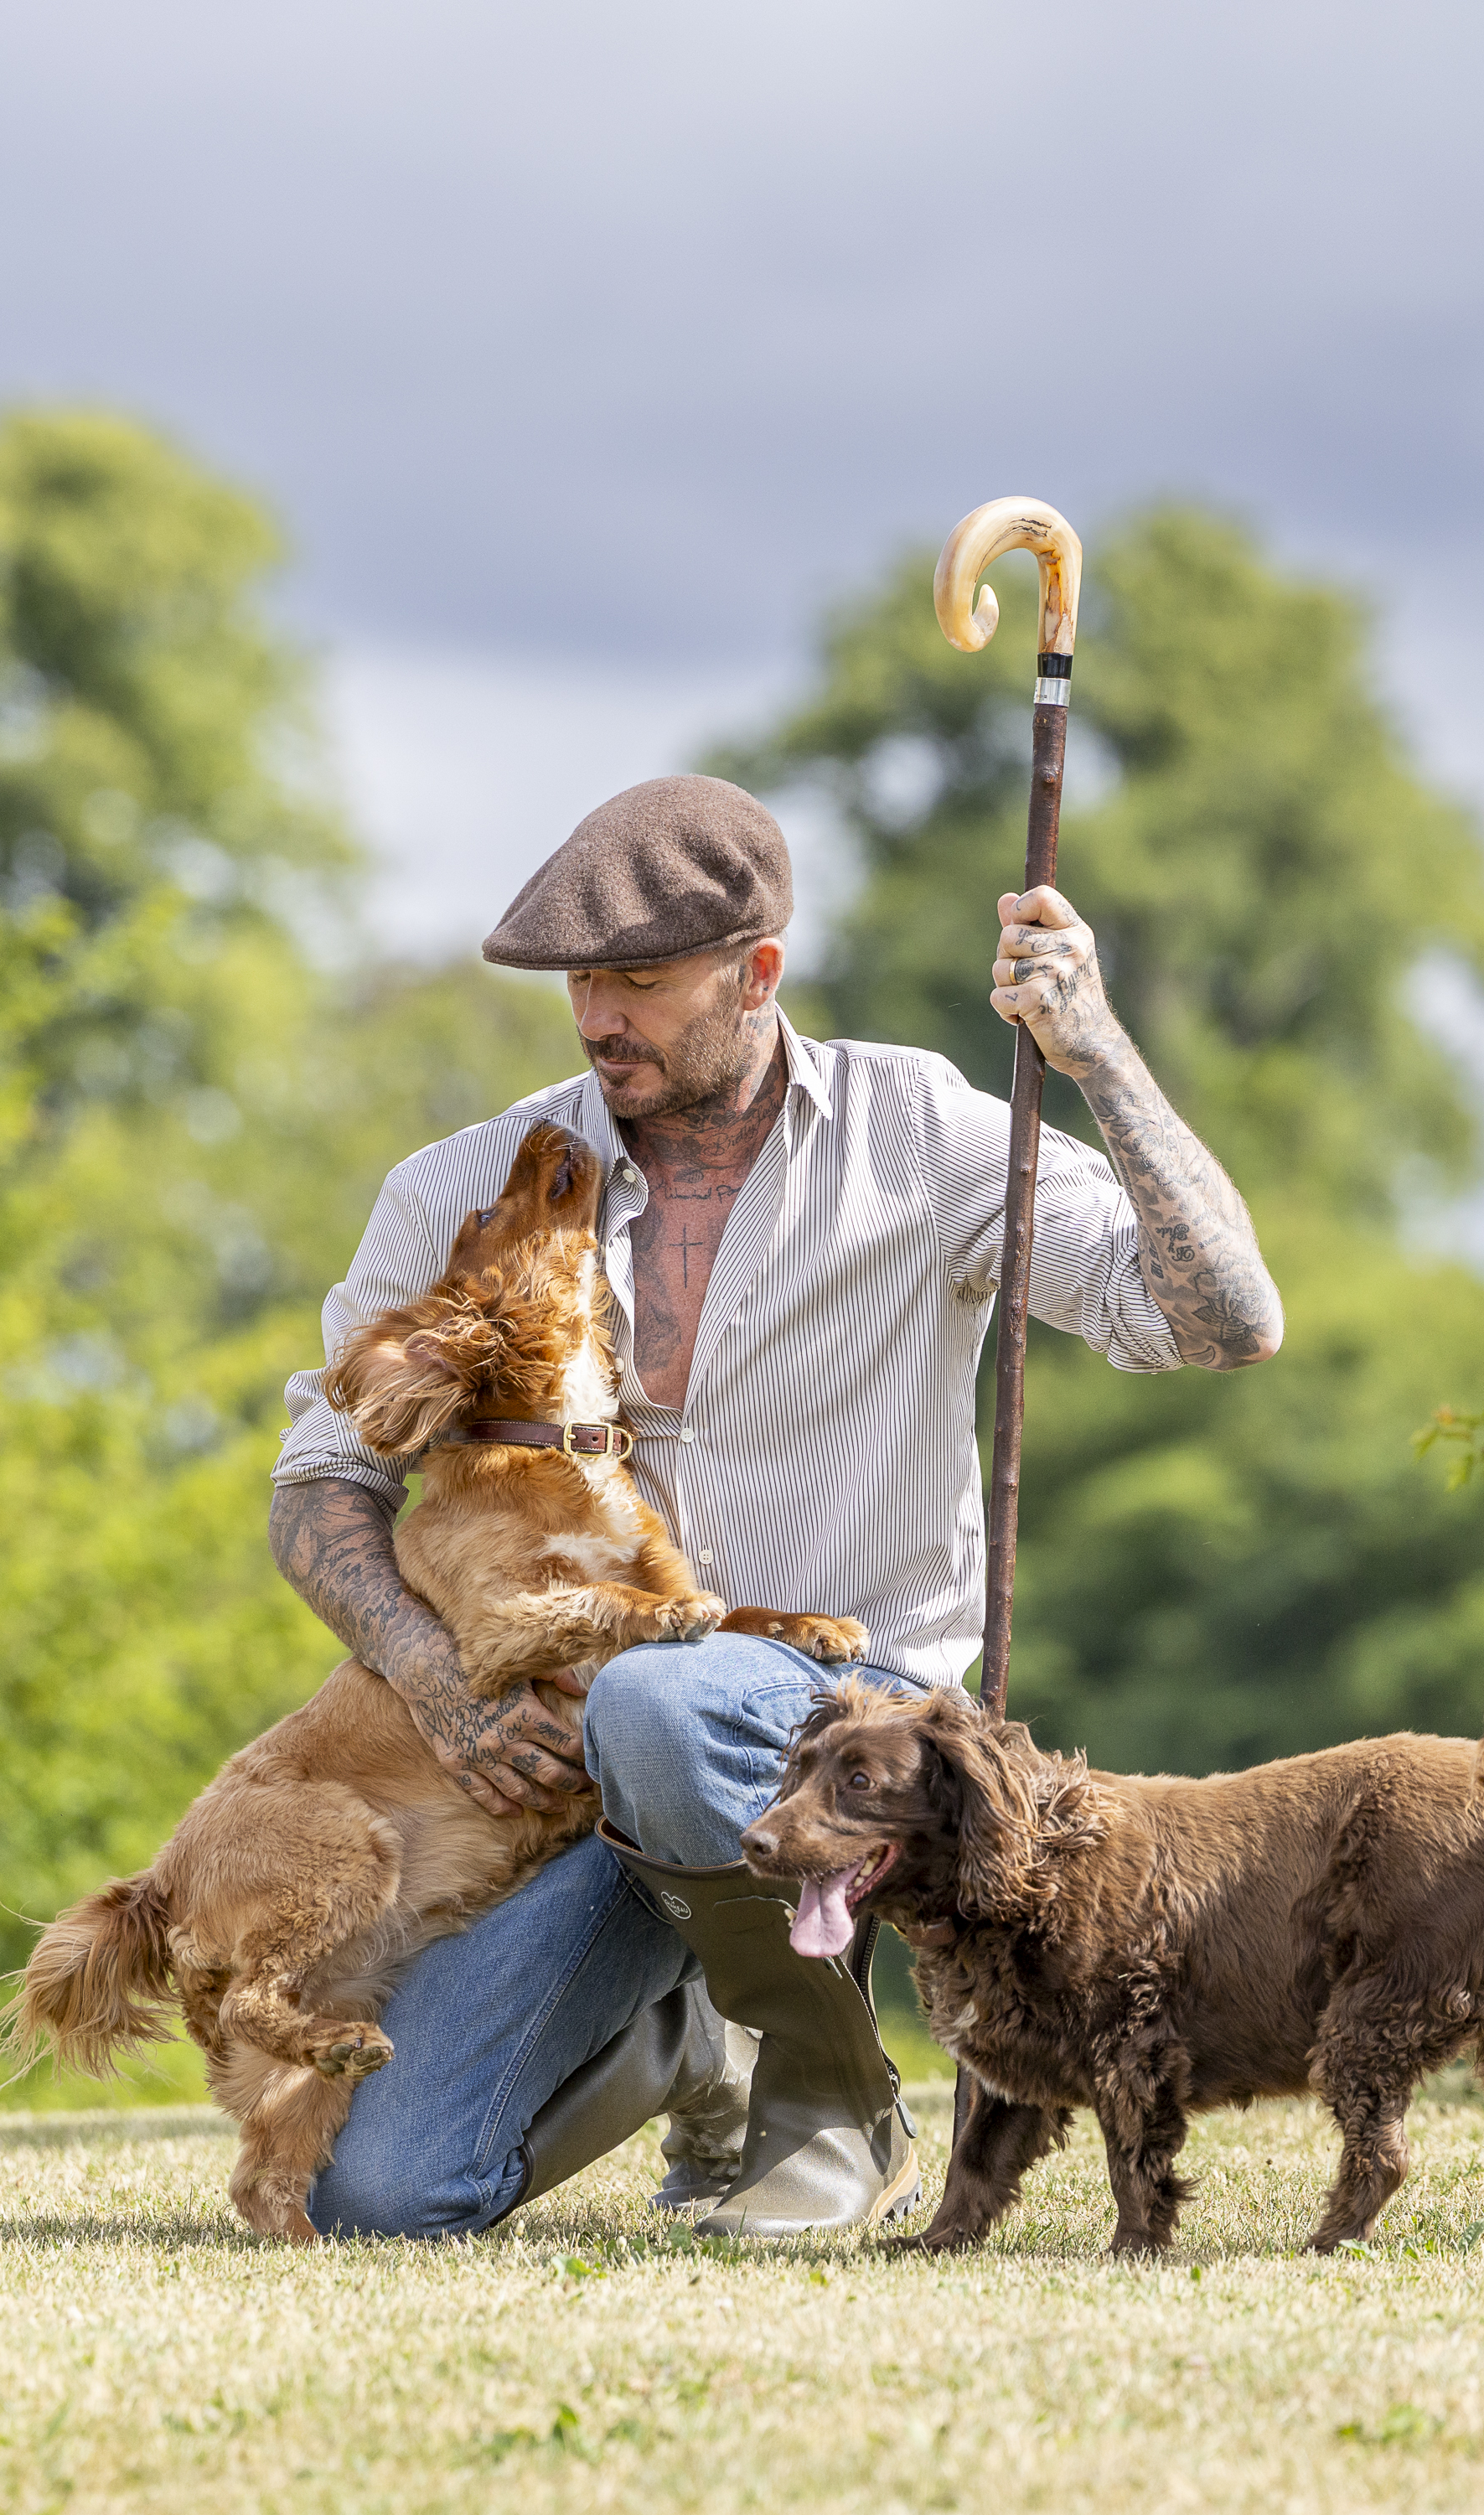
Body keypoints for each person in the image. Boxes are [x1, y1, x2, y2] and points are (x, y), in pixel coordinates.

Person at [267, 773, 1282, 2238]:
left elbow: (1222, 1319)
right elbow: (321, 1478)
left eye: (641, 978)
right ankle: (698, 2043)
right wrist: (436, 1685)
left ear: (755, 974)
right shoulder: (460, 1185)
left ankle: (834, 2106)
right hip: (585, 1769)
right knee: (381, 2191)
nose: (599, 1013)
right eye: (582, 982)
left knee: (668, 1705)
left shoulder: (922, 1130)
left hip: (866, 1724)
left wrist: (1099, 1052)